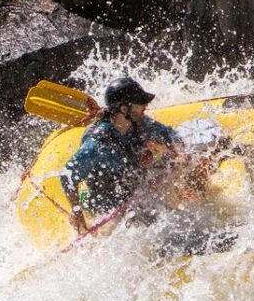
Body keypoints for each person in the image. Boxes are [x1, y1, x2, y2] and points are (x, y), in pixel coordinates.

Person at [60, 76, 181, 233]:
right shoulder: (98, 143)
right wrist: (77, 213)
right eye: (140, 103)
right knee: (160, 223)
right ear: (124, 109)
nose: (145, 105)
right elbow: (67, 175)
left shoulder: (139, 123)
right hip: (106, 203)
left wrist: (179, 153)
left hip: (134, 187)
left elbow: (171, 136)